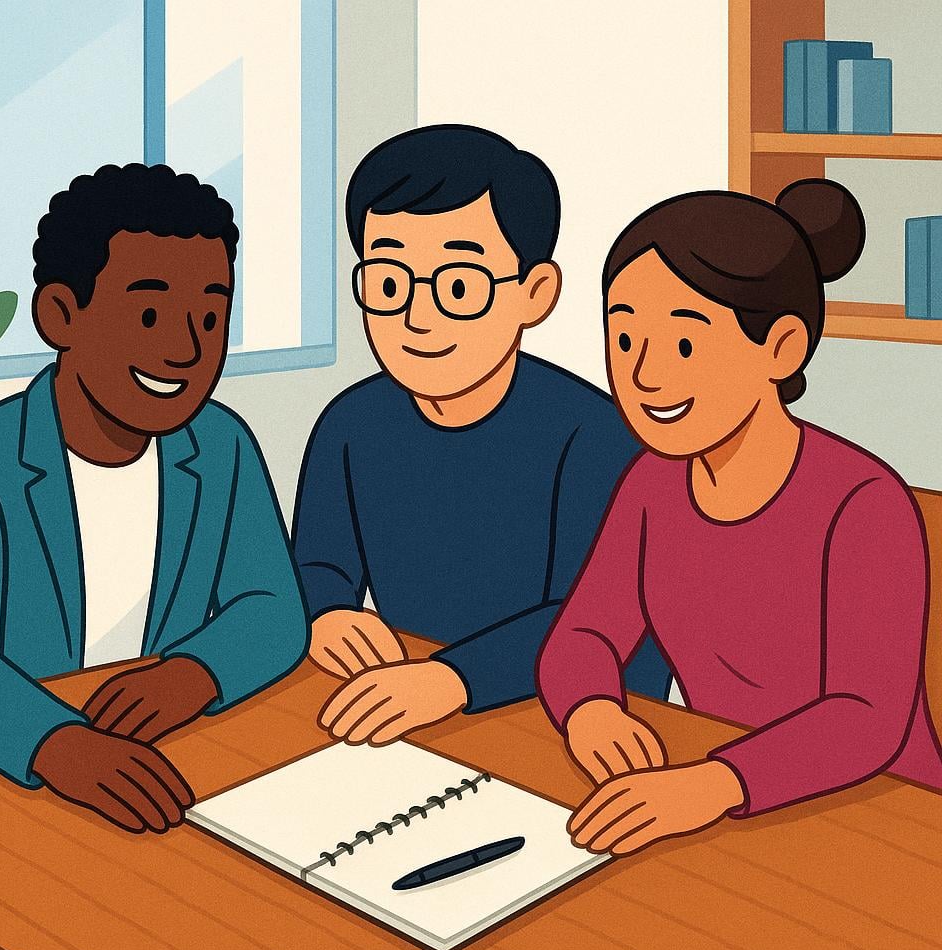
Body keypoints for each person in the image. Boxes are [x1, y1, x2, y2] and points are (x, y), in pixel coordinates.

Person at [537, 179, 942, 857]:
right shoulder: (652, 484)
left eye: (685, 346)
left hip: (883, 816)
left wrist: (716, 784)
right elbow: (583, 634)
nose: (644, 375)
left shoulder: (865, 504)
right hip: (727, 804)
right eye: (625, 337)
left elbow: (865, 720)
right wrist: (592, 709)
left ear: (781, 348)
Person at [0, 164, 308, 833]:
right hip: (19, 796)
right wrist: (56, 743)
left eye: (211, 316)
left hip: (179, 769)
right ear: (61, 314)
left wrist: (195, 672)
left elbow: (273, 608)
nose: (187, 349)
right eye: (150, 313)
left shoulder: (221, 446)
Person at [294, 125, 670, 747]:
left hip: (579, 728)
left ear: (535, 293)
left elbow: (595, 625)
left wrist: (452, 679)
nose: (417, 318)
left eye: (458, 288)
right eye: (389, 284)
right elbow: (315, 564)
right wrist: (326, 611)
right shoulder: (350, 424)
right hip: (411, 715)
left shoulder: (601, 440)